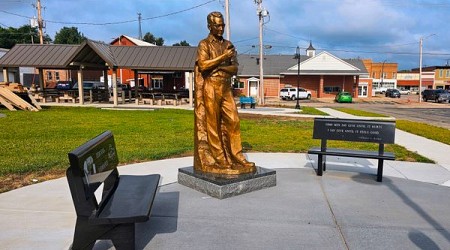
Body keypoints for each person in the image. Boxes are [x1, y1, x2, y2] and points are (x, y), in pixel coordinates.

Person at [193, 11, 255, 175]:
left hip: (225, 86)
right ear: (209, 26)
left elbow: (234, 68)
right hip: (211, 86)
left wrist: (220, 67)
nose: (221, 28)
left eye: (223, 25)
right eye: (217, 25)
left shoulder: (228, 44)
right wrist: (222, 59)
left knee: (233, 120)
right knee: (212, 124)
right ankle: (220, 159)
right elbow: (203, 65)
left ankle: (237, 156)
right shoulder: (204, 44)